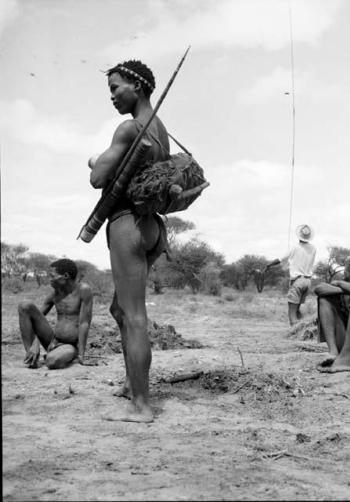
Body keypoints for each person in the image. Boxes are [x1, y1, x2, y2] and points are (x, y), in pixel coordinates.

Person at [89, 59, 170, 422]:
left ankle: (141, 405)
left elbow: (98, 178)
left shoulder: (129, 128)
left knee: (135, 317)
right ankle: (131, 383)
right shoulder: (159, 129)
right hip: (152, 227)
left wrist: (92, 160)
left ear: (137, 86)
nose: (112, 96)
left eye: (116, 88)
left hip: (127, 225)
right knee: (120, 310)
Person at [18, 258, 93, 369]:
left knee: (51, 361)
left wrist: (81, 355)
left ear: (65, 276)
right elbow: (39, 317)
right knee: (24, 305)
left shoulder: (83, 290)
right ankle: (31, 357)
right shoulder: (55, 294)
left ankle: (66, 355)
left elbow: (84, 323)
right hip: (53, 340)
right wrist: (35, 343)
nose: (50, 280)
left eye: (52, 276)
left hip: (70, 345)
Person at [265, 224, 317, 325]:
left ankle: (294, 333)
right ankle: (301, 329)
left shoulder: (295, 247)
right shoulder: (313, 248)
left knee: (292, 312)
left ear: (299, 236)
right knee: (297, 309)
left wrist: (268, 265)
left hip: (298, 281)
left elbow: (281, 259)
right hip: (307, 281)